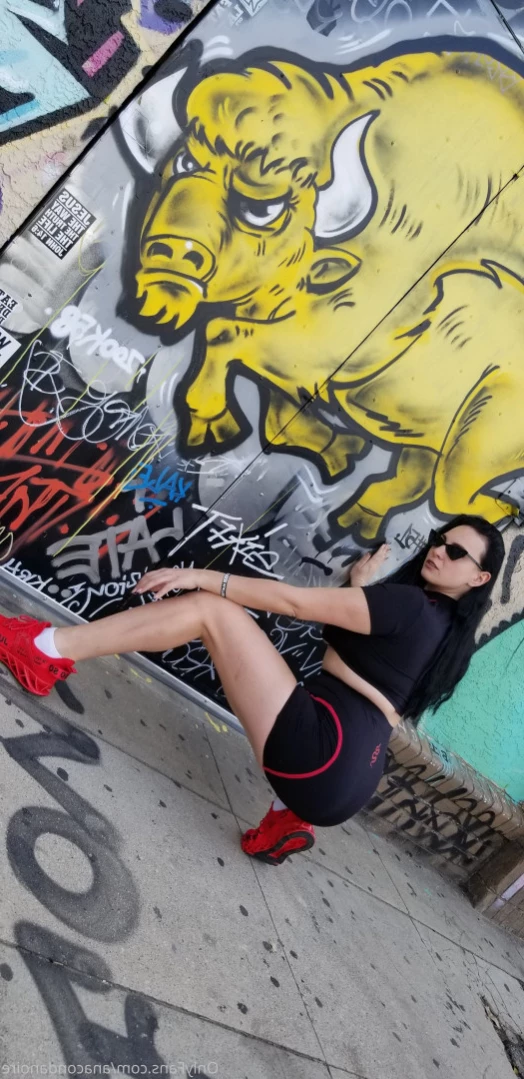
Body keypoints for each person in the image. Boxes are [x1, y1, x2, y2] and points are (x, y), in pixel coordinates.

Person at [0, 514, 504, 865]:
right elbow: (356, 647)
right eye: (439, 539)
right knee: (298, 689)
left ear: (479, 577)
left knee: (211, 611)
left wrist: (200, 575)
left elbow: (296, 604)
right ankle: (286, 822)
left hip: (321, 757)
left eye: (456, 552)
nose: (439, 551)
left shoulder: (412, 606)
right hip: (350, 782)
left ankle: (44, 649)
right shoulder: (447, 640)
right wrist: (360, 586)